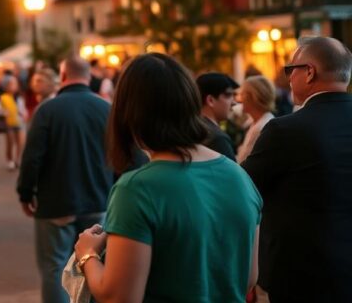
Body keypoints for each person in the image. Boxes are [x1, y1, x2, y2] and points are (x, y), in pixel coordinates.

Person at [74, 53, 261, 303]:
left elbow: (119, 298)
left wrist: (87, 255)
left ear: (128, 113)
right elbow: (248, 277)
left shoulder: (136, 189)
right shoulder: (238, 176)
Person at [243, 36, 352, 303]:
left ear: (310, 72)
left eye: (291, 70)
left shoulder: (286, 130)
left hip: (302, 276)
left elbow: (241, 187)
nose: (289, 79)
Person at [17, 57, 113, 303]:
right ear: (89, 76)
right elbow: (126, 155)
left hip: (55, 203)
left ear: (62, 76)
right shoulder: (106, 109)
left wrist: (26, 193)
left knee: (54, 266)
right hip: (98, 199)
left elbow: (32, 157)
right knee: (95, 261)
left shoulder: (48, 110)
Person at [195, 72, 239, 160]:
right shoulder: (217, 139)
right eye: (228, 95)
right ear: (210, 100)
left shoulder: (192, 129)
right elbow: (231, 173)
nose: (234, 102)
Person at [236, 75, 276, 163]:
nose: (239, 99)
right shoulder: (255, 122)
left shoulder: (262, 126)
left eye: (242, 94)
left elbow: (244, 161)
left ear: (254, 97)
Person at [0, 73, 26, 170]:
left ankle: (17, 159)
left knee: (21, 141)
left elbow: (23, 109)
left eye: (15, 84)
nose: (14, 86)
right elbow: (0, 109)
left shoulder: (19, 97)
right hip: (9, 122)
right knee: (10, 142)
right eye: (11, 84)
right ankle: (10, 160)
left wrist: (24, 114)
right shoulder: (3, 97)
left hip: (20, 121)